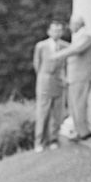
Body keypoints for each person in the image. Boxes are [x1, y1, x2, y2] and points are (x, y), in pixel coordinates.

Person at [53, 14, 91, 141]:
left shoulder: (86, 37)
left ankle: (84, 132)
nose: (70, 26)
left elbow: (75, 50)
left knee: (79, 104)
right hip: (74, 77)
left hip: (81, 76)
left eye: (72, 23)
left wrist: (57, 55)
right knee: (74, 105)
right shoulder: (78, 37)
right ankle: (79, 131)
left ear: (78, 24)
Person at [32, 20, 70, 151]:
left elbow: (67, 64)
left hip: (59, 81)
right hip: (45, 81)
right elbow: (37, 64)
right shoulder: (41, 46)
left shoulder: (66, 46)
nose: (57, 33)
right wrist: (43, 77)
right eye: (54, 30)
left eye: (59, 30)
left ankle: (53, 139)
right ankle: (39, 141)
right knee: (43, 112)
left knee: (57, 112)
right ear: (49, 31)